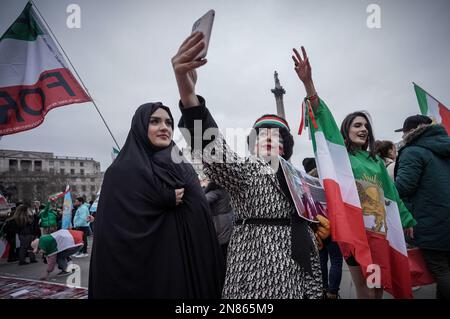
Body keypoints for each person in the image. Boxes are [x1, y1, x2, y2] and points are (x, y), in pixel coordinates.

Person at [173, 32, 324, 299]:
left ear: (286, 147)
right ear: (252, 145)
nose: (269, 139)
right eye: (262, 135)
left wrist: (318, 224)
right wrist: (188, 94)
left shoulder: (298, 177)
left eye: (277, 136)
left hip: (301, 260)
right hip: (258, 263)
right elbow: (214, 152)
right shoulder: (245, 171)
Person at [292, 45, 416, 298]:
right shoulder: (342, 158)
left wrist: (405, 221)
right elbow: (323, 123)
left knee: (378, 289)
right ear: (346, 130)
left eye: (366, 126)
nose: (363, 129)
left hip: (379, 235)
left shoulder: (377, 162)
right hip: (355, 233)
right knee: (366, 290)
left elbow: (391, 196)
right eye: (357, 125)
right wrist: (309, 84)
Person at [88, 101, 224, 299]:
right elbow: (113, 234)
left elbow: (198, 210)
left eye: (169, 123)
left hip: (183, 263)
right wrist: (156, 197)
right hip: (144, 272)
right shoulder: (118, 173)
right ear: (140, 126)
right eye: (155, 121)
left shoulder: (180, 165)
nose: (164, 128)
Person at [394, 115, 450, 299]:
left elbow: (403, 187)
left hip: (431, 221)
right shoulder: (445, 147)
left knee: (440, 270)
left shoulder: (413, 151)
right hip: (442, 218)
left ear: (411, 131)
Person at [302, 158, 343, 299]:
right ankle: (332, 292)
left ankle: (323, 289)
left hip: (316, 228)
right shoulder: (326, 179)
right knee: (336, 260)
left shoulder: (305, 183)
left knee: (321, 260)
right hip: (331, 226)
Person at [204, 180, 234, 263]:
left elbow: (203, 201)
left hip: (220, 222)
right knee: (226, 246)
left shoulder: (217, 192)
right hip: (227, 219)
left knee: (221, 247)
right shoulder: (226, 190)